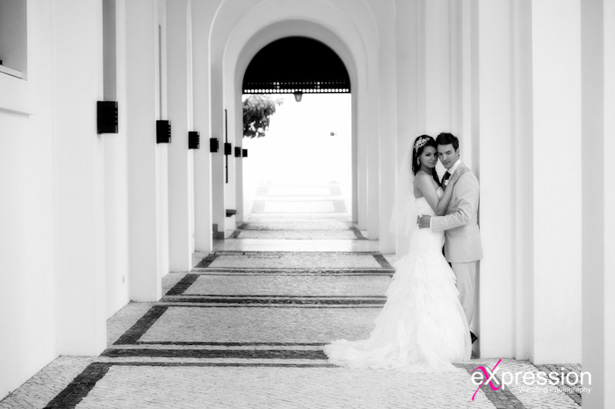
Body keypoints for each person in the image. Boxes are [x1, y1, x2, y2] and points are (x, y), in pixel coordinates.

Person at [324, 135, 471, 371]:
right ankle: (420, 342)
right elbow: (440, 208)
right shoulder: (423, 178)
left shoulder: (431, 177)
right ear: (418, 157)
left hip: (433, 238)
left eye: (436, 154)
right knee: (423, 289)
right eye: (428, 155)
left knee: (433, 290)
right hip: (425, 240)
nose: (434, 159)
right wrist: (453, 183)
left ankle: (438, 342)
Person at [417, 132, 482, 345]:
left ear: (457, 152)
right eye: (440, 154)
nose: (443, 158)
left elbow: (464, 216)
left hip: (464, 247)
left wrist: (433, 223)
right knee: (452, 297)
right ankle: (453, 340)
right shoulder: (448, 175)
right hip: (449, 245)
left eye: (448, 153)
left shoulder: (465, 177)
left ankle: (462, 344)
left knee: (464, 298)